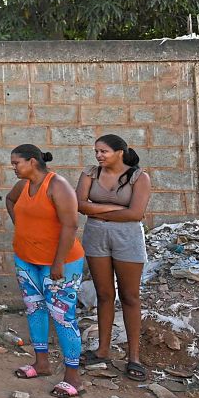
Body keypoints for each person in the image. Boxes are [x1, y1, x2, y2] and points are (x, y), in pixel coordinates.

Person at [6, 144, 85, 398]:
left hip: (60, 263)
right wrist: (23, 227)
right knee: (34, 308)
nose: (14, 168)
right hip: (27, 260)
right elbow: (10, 200)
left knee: (62, 316)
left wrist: (59, 262)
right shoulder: (23, 186)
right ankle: (41, 363)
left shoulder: (57, 186)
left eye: (17, 163)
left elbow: (71, 225)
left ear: (32, 161)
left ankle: (73, 377)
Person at [77, 134, 152, 381]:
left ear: (120, 152)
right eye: (96, 151)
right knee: (104, 294)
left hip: (127, 238)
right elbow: (80, 205)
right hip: (96, 237)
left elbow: (137, 214)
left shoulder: (139, 177)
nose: (98, 156)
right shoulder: (90, 173)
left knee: (130, 296)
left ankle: (134, 357)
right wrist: (118, 209)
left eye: (104, 151)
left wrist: (99, 212)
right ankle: (102, 350)